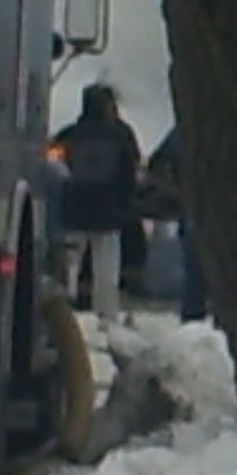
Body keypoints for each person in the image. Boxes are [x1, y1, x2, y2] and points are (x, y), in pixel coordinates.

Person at [52, 84, 141, 323]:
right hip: (108, 211)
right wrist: (127, 205)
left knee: (70, 266)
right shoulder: (122, 136)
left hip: (74, 209)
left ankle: (65, 315)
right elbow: (129, 174)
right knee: (106, 271)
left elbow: (55, 170)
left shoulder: (70, 135)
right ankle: (107, 316)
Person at [146, 128, 208, 322]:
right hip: (211, 207)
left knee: (195, 268)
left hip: (193, 206)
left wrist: (174, 190)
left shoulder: (185, 131)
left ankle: (193, 318)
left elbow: (156, 164)